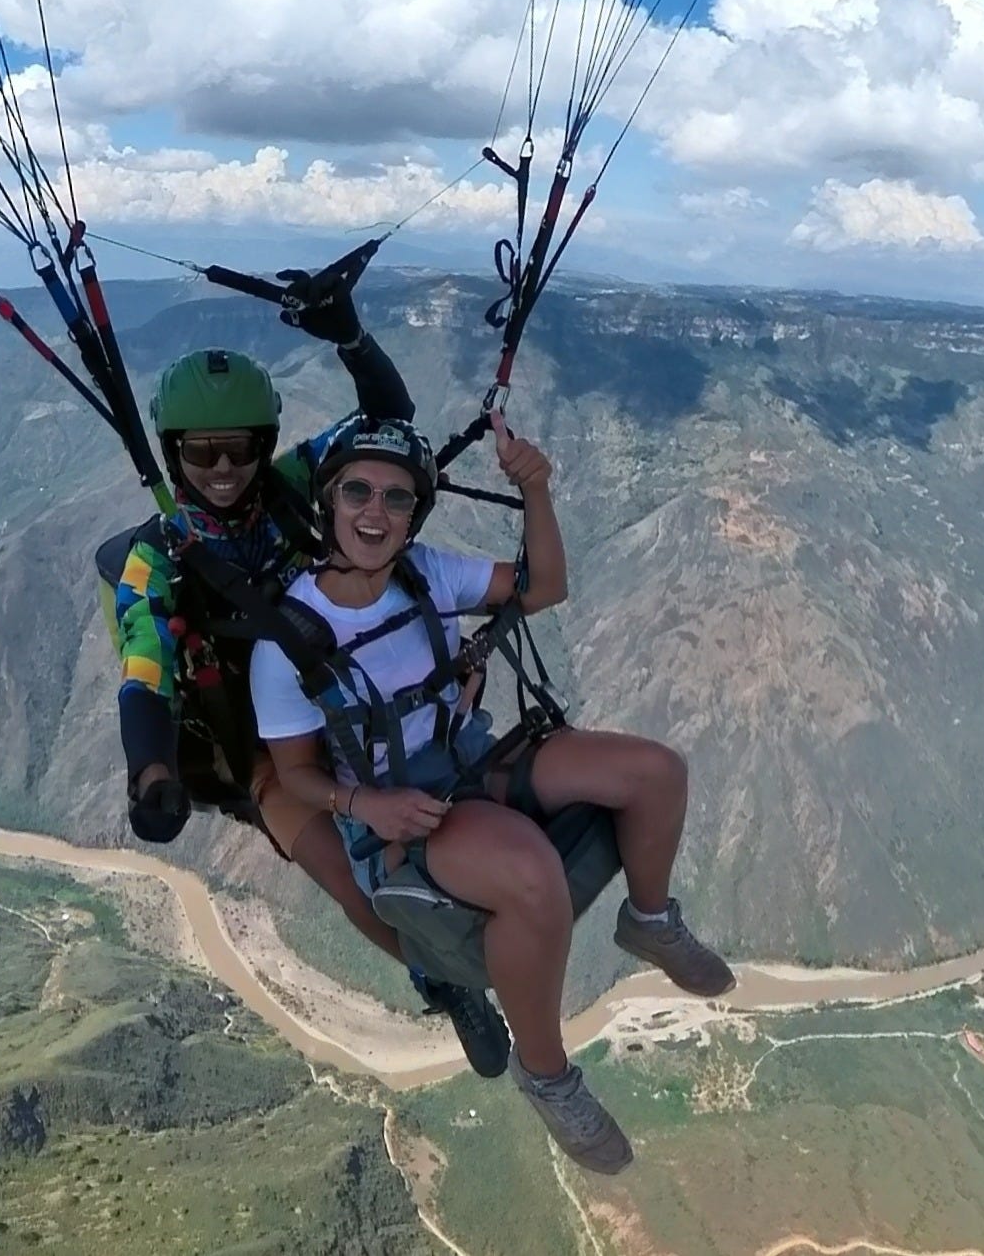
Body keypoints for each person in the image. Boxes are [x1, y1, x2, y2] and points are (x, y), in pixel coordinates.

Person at [245, 415, 734, 1176]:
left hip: (473, 759)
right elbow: (294, 772)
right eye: (358, 491)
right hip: (402, 814)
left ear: (415, 515)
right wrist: (363, 806)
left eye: (398, 499)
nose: (376, 512)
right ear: (329, 501)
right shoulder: (290, 640)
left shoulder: (427, 575)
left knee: (655, 773)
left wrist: (534, 487)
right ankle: (547, 1074)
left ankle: (650, 920)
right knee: (531, 873)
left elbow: (545, 587)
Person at [93, 266, 520, 1078]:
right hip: (260, 752)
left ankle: (518, 918)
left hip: (361, 698)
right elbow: (145, 674)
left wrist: (350, 336)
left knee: (469, 798)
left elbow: (388, 424)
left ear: (265, 443)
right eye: (203, 452)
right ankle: (440, 976)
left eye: (242, 447)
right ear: (174, 454)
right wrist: (150, 771)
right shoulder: (153, 564)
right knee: (352, 882)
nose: (225, 468)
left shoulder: (294, 487)